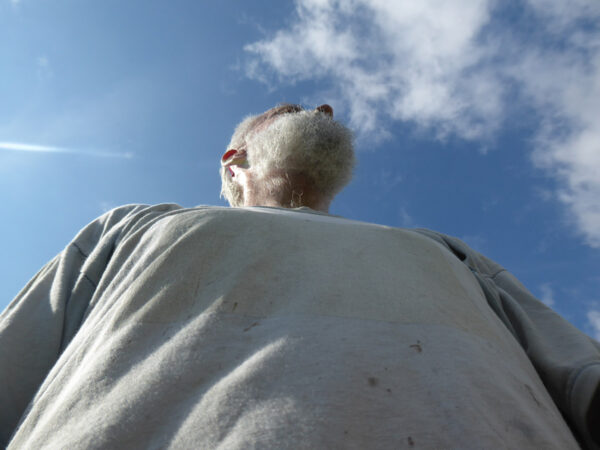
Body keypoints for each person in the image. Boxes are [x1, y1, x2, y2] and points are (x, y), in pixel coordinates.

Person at [1, 103, 598, 449]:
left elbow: (581, 374)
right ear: (232, 159)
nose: (325, 110)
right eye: (288, 109)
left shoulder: (443, 250)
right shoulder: (134, 226)